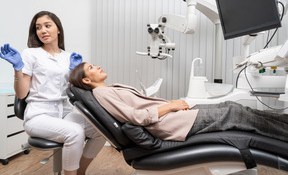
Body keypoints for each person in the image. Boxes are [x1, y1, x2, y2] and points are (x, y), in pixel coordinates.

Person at [69, 62, 288, 143]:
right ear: (87, 80)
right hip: (169, 123)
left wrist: (172, 104)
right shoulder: (103, 95)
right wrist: (171, 106)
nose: (97, 67)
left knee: (237, 108)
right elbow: (136, 118)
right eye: (91, 68)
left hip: (174, 115)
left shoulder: (110, 88)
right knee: (235, 113)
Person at [0, 11, 105, 175]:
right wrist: (18, 69)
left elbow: (74, 92)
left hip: (65, 113)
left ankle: (80, 172)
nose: (43, 30)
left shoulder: (68, 57)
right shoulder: (30, 54)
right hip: (39, 115)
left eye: (47, 26)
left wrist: (73, 73)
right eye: (38, 27)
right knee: (75, 132)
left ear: (58, 30)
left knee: (101, 129)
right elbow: (21, 94)